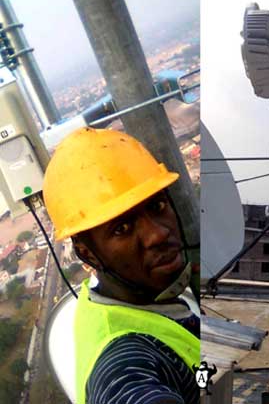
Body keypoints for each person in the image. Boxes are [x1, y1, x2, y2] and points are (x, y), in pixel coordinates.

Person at [43, 127, 200, 404]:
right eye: (122, 228)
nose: (158, 234)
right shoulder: (122, 363)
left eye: (157, 206)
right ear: (88, 254)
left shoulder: (122, 299)